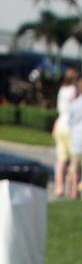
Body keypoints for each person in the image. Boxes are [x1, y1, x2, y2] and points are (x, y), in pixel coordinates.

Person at [54, 69, 79, 198]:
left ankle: (59, 186)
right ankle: (72, 189)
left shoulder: (62, 90)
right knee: (73, 160)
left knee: (61, 160)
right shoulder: (73, 91)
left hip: (61, 125)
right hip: (70, 127)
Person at [67, 85, 82, 200]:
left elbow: (70, 121)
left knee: (75, 167)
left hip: (77, 137)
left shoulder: (75, 103)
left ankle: (73, 191)